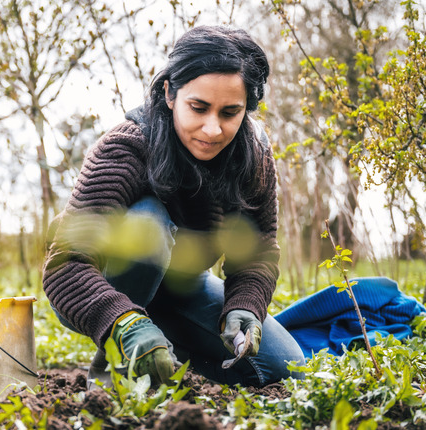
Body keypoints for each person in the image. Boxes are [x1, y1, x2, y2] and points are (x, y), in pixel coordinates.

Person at [43, 25, 305, 388]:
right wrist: (124, 322)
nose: (212, 129)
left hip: (182, 287)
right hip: (94, 283)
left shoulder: (253, 158)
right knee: (148, 225)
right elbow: (65, 266)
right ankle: (113, 369)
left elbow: (258, 251)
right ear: (169, 93)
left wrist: (245, 305)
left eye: (230, 113)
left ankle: (164, 357)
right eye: (198, 108)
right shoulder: (127, 147)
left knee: (282, 365)